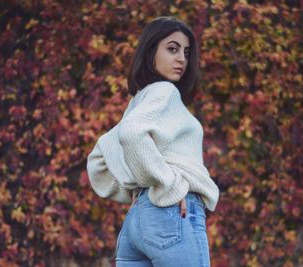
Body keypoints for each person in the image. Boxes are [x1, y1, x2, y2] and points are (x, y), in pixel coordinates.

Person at [87, 16, 219, 267]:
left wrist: (139, 191)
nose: (182, 58)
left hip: (137, 223)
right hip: (171, 215)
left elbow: (99, 157)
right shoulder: (164, 91)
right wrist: (168, 185)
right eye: (172, 49)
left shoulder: (140, 99)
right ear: (150, 53)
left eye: (186, 52)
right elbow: (132, 134)